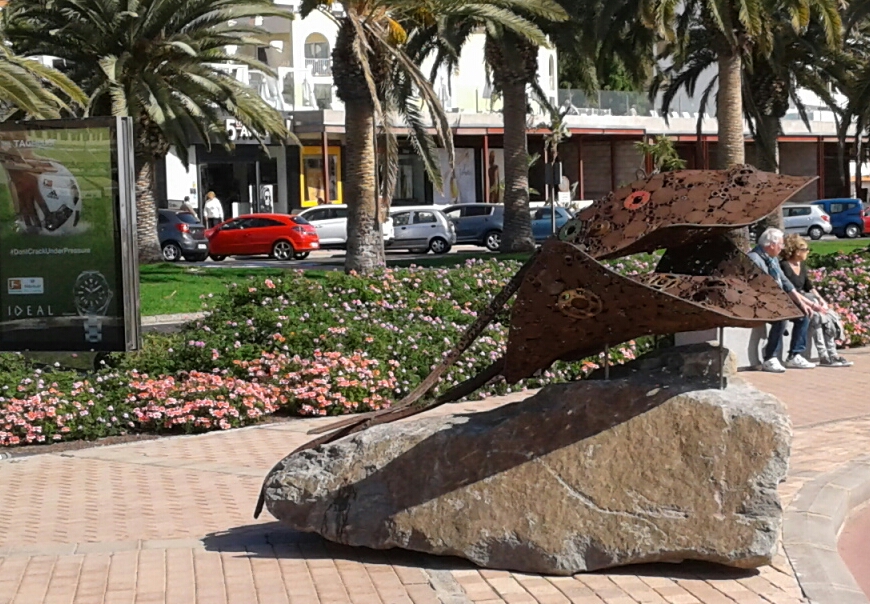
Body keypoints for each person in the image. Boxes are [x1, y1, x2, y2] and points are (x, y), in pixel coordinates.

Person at [747, 228, 816, 372]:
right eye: (780, 244)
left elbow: (785, 283)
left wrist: (802, 303)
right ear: (772, 245)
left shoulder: (772, 259)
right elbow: (761, 286)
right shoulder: (754, 259)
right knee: (782, 316)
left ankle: (794, 355)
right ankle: (770, 358)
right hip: (758, 301)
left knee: (803, 314)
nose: (782, 247)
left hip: (775, 299)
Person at [780, 234, 853, 367]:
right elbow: (792, 290)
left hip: (805, 298)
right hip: (793, 300)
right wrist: (813, 305)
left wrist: (821, 300)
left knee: (829, 316)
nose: (808, 252)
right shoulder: (784, 266)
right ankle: (823, 355)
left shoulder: (801, 265)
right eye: (805, 249)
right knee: (817, 317)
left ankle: (833, 354)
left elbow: (809, 286)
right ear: (796, 251)